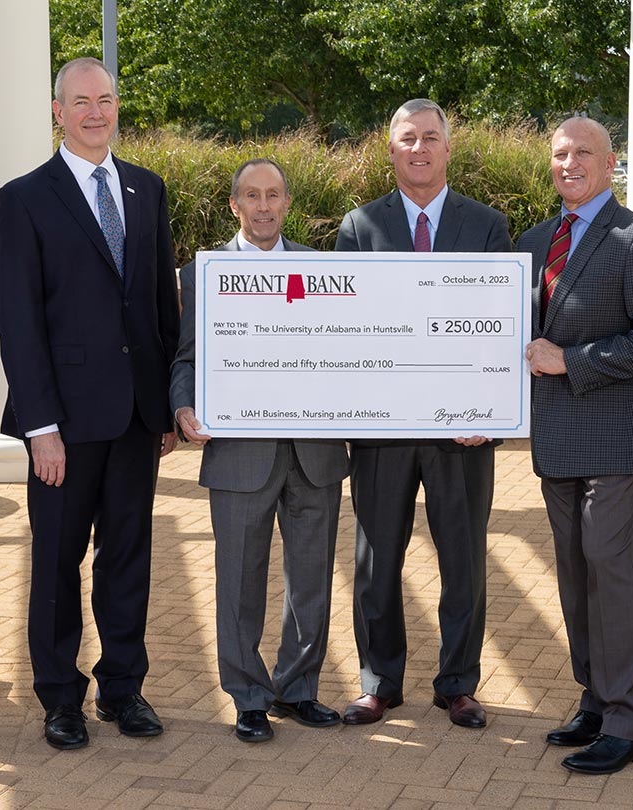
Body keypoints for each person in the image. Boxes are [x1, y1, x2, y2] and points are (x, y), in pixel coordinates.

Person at [0, 56, 181, 751]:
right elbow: (19, 320)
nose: (95, 112)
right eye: (80, 101)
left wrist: (162, 408)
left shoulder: (146, 189)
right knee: (58, 562)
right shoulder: (24, 198)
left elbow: (163, 304)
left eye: (105, 99)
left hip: (135, 417)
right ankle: (59, 698)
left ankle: (123, 689)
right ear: (57, 111)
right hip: (64, 424)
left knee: (128, 557)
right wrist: (39, 427)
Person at [333, 98, 511, 729]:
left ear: (447, 148)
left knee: (462, 559)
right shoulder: (359, 228)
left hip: (462, 430)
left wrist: (491, 404)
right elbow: (344, 329)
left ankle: (458, 683)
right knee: (376, 561)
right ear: (391, 150)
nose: (419, 149)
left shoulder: (488, 225)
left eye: (430, 138)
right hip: (383, 431)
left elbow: (499, 325)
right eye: (407, 139)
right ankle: (379, 680)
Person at [523, 116, 633, 775]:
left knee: (613, 575)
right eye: (560, 153)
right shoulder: (533, 242)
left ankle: (629, 723)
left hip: (613, 439)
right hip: (555, 441)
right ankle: (594, 699)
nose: (570, 162)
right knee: (575, 575)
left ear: (611, 161)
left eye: (583, 152)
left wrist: (571, 361)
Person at [171, 158, 348, 743]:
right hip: (239, 454)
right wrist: (183, 408)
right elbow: (186, 359)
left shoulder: (322, 272)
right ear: (234, 206)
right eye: (252, 195)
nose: (265, 206)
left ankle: (298, 689)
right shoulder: (200, 274)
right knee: (239, 579)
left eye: (274, 195)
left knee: (312, 579)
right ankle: (247, 696)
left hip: (315, 454)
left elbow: (343, 353)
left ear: (288, 203)